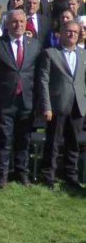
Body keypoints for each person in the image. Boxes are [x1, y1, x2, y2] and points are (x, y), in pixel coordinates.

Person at [0, 10, 40, 188]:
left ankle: (22, 174)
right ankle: (1, 175)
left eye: (21, 21)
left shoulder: (34, 44)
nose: (18, 25)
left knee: (24, 139)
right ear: (7, 24)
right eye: (14, 22)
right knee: (4, 138)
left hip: (27, 100)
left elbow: (38, 75)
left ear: (26, 23)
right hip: (5, 100)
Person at [37, 20, 86, 192]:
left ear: (79, 35)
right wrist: (47, 106)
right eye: (68, 31)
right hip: (57, 105)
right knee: (53, 143)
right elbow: (43, 81)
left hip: (78, 106)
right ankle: (48, 177)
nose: (71, 34)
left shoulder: (83, 54)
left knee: (74, 144)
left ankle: (71, 178)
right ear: (61, 33)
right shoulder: (50, 53)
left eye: (75, 32)